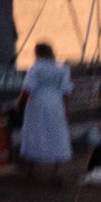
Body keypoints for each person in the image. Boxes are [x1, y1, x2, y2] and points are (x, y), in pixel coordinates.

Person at [17, 39, 75, 184]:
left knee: (34, 133)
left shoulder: (36, 67)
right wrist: (66, 108)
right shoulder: (62, 68)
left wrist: (19, 103)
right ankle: (55, 173)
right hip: (56, 103)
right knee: (57, 134)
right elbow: (66, 91)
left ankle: (30, 171)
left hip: (37, 102)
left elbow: (27, 88)